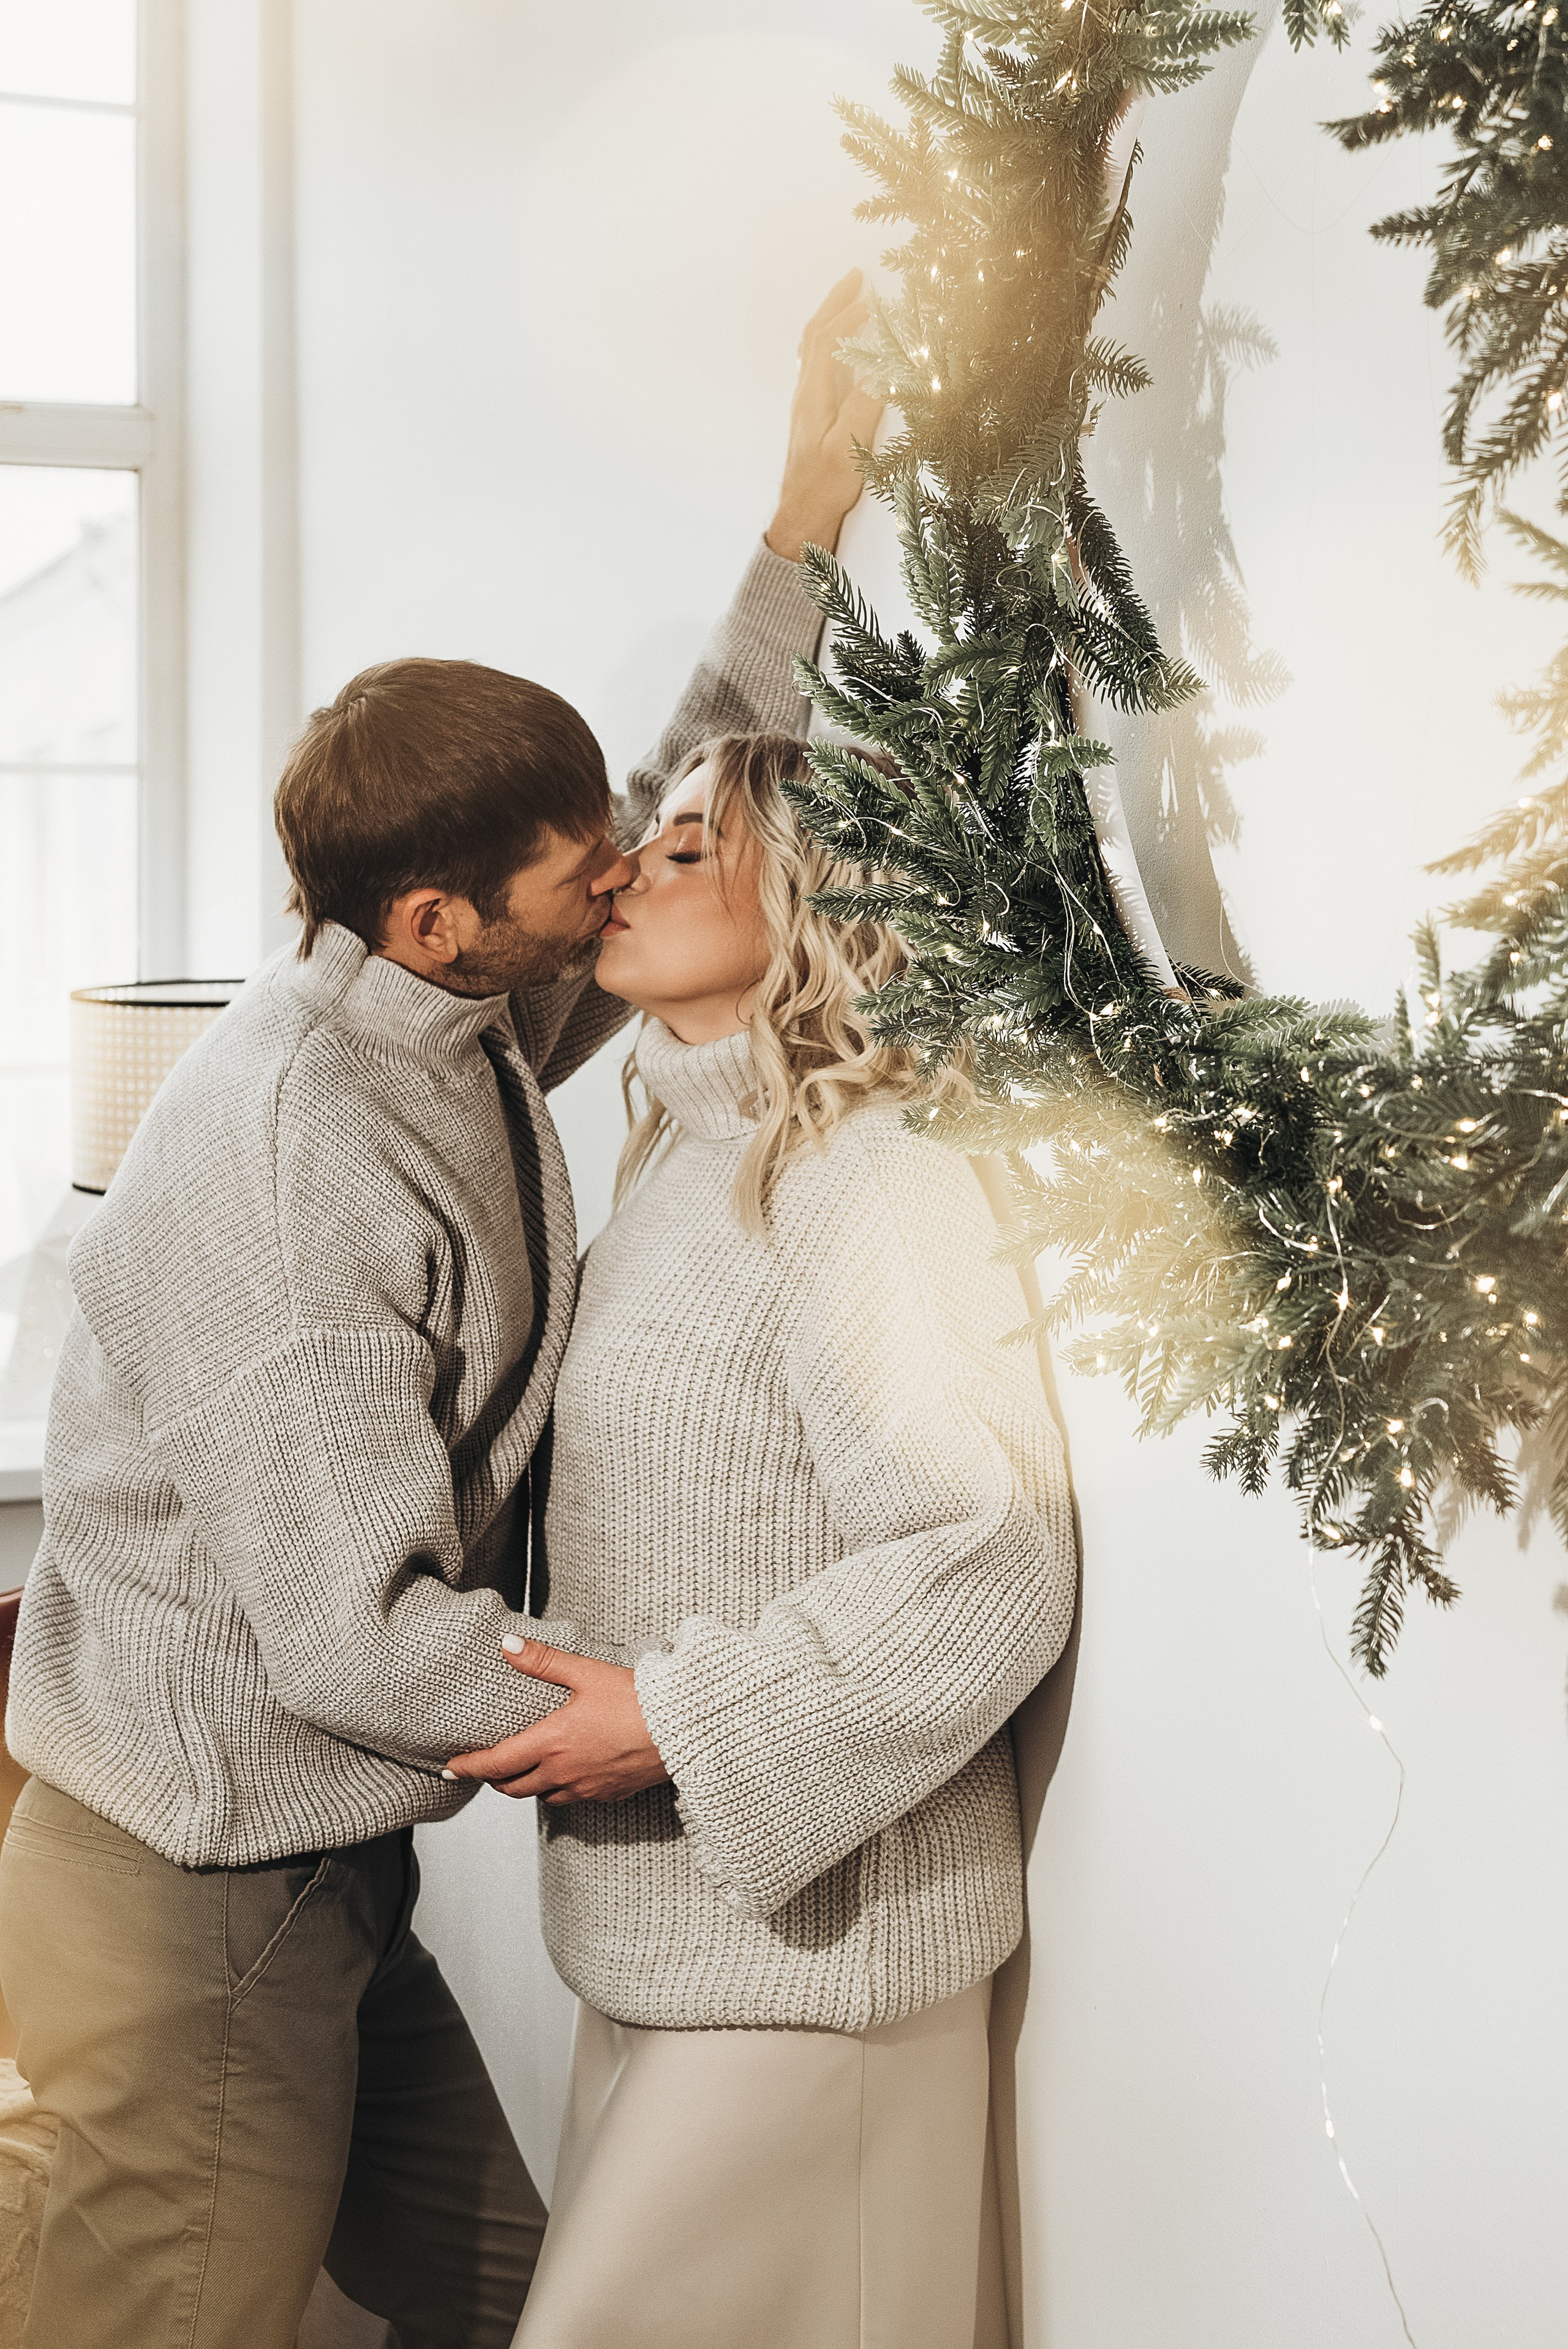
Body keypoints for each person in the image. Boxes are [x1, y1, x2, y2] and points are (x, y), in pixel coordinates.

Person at [0, 276, 881, 2349]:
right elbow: (349, 1633)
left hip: (318, 1880)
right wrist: (692, 1706)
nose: (636, 875)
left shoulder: (449, 990)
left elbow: (669, 778)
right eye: (592, 872)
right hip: (193, 1897)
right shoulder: (304, 1166)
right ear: (440, 917)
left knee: (519, 2300)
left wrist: (811, 516)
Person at [444, 731, 1079, 2349]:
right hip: (663, 1937)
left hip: (822, 1971)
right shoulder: (671, 1161)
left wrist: (668, 1717)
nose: (624, 871)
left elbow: (989, 1543)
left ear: (810, 885)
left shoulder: (871, 1178)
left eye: (680, 845)